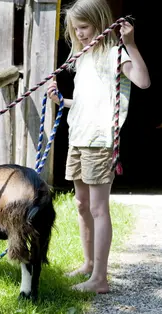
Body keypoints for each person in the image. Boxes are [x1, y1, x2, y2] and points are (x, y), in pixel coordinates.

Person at [47, 0, 150, 293]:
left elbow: (143, 82)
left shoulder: (115, 53)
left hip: (100, 140)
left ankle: (100, 279)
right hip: (79, 136)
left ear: (101, 23)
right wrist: (61, 102)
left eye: (84, 27)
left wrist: (130, 43)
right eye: (74, 28)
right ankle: (88, 264)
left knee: (98, 207)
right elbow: (86, 102)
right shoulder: (83, 56)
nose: (79, 34)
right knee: (81, 205)